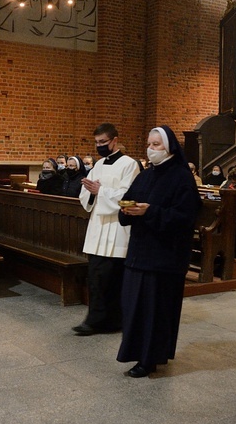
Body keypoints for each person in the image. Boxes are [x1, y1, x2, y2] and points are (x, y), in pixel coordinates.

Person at [116, 126, 201, 377]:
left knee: (155, 311)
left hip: (164, 258)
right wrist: (126, 210)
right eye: (149, 144)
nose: (151, 149)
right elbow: (129, 199)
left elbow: (185, 217)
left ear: (170, 147)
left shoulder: (181, 177)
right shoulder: (145, 175)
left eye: (156, 145)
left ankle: (150, 359)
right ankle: (139, 353)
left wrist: (149, 211)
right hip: (139, 253)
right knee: (135, 308)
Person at [73, 123, 140, 336]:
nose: (99, 146)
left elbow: (129, 197)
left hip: (117, 229)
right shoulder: (99, 165)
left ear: (114, 140)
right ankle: (96, 319)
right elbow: (87, 197)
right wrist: (92, 192)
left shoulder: (130, 165)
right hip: (98, 228)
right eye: (96, 142)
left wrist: (100, 191)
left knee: (111, 278)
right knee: (95, 277)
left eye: (103, 142)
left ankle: (109, 321)